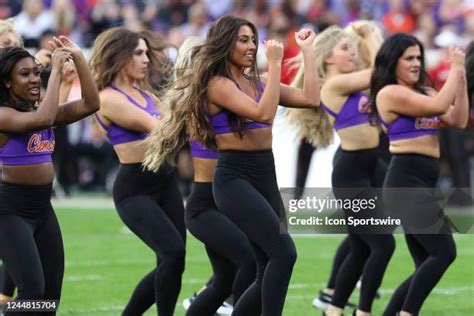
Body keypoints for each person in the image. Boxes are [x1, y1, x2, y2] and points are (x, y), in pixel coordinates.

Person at [152, 15, 319, 315]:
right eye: (244, 40)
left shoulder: (259, 82)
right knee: (284, 253)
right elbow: (263, 114)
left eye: (254, 39)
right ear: (224, 43)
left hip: (265, 173)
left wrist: (307, 51)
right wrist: (276, 63)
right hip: (234, 177)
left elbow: (311, 98)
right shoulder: (217, 85)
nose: (252, 46)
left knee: (266, 264)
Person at [287, 22, 395, 316]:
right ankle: (363, 311)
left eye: (351, 48)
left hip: (373, 165)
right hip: (352, 173)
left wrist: (368, 36)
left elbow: (381, 68)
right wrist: (369, 36)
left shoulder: (351, 79)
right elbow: (380, 73)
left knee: (361, 248)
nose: (351, 53)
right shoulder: (333, 85)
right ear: (328, 58)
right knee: (383, 246)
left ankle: (333, 309)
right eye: (344, 48)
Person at [144, 36, 256, 316]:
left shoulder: (223, 93)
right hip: (206, 205)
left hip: (227, 199)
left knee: (223, 281)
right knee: (249, 260)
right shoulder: (202, 101)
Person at [89, 27, 186, 316]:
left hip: (165, 181)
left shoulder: (144, 93)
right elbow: (161, 128)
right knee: (172, 253)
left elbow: (175, 125)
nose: (146, 59)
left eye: (146, 52)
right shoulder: (108, 98)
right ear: (120, 57)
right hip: (135, 189)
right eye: (139, 53)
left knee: (173, 261)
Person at [0, 35, 99, 315]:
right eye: (25, 74)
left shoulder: (40, 112)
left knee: (49, 298)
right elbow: (43, 119)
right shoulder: (4, 116)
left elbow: (91, 104)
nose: (34, 79)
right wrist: (54, 71)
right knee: (32, 291)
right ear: (7, 82)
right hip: (10, 211)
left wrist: (78, 58)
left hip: (42, 209)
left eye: (36, 72)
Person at [369, 33, 467, 316]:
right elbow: (438, 108)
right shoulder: (389, 92)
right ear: (393, 62)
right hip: (405, 182)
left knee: (426, 261)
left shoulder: (426, 91)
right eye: (408, 58)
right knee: (444, 252)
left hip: (425, 184)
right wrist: (457, 68)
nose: (416, 63)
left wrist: (458, 79)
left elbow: (457, 119)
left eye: (418, 58)